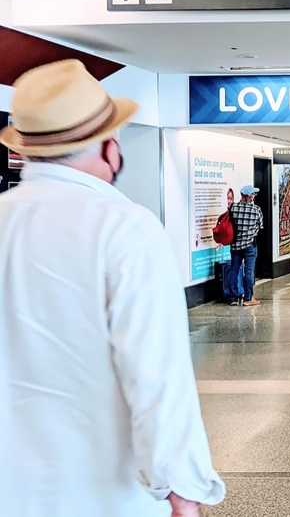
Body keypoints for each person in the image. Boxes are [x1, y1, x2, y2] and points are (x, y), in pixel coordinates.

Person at [0, 59, 225, 516]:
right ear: (108, 145)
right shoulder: (124, 228)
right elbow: (157, 374)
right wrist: (184, 492)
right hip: (104, 497)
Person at [230, 185, 264, 307]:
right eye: (253, 194)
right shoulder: (256, 210)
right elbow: (260, 226)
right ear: (249, 196)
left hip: (235, 245)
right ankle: (248, 298)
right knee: (248, 272)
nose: (254, 196)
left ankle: (233, 298)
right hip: (250, 245)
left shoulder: (233, 208)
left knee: (234, 270)